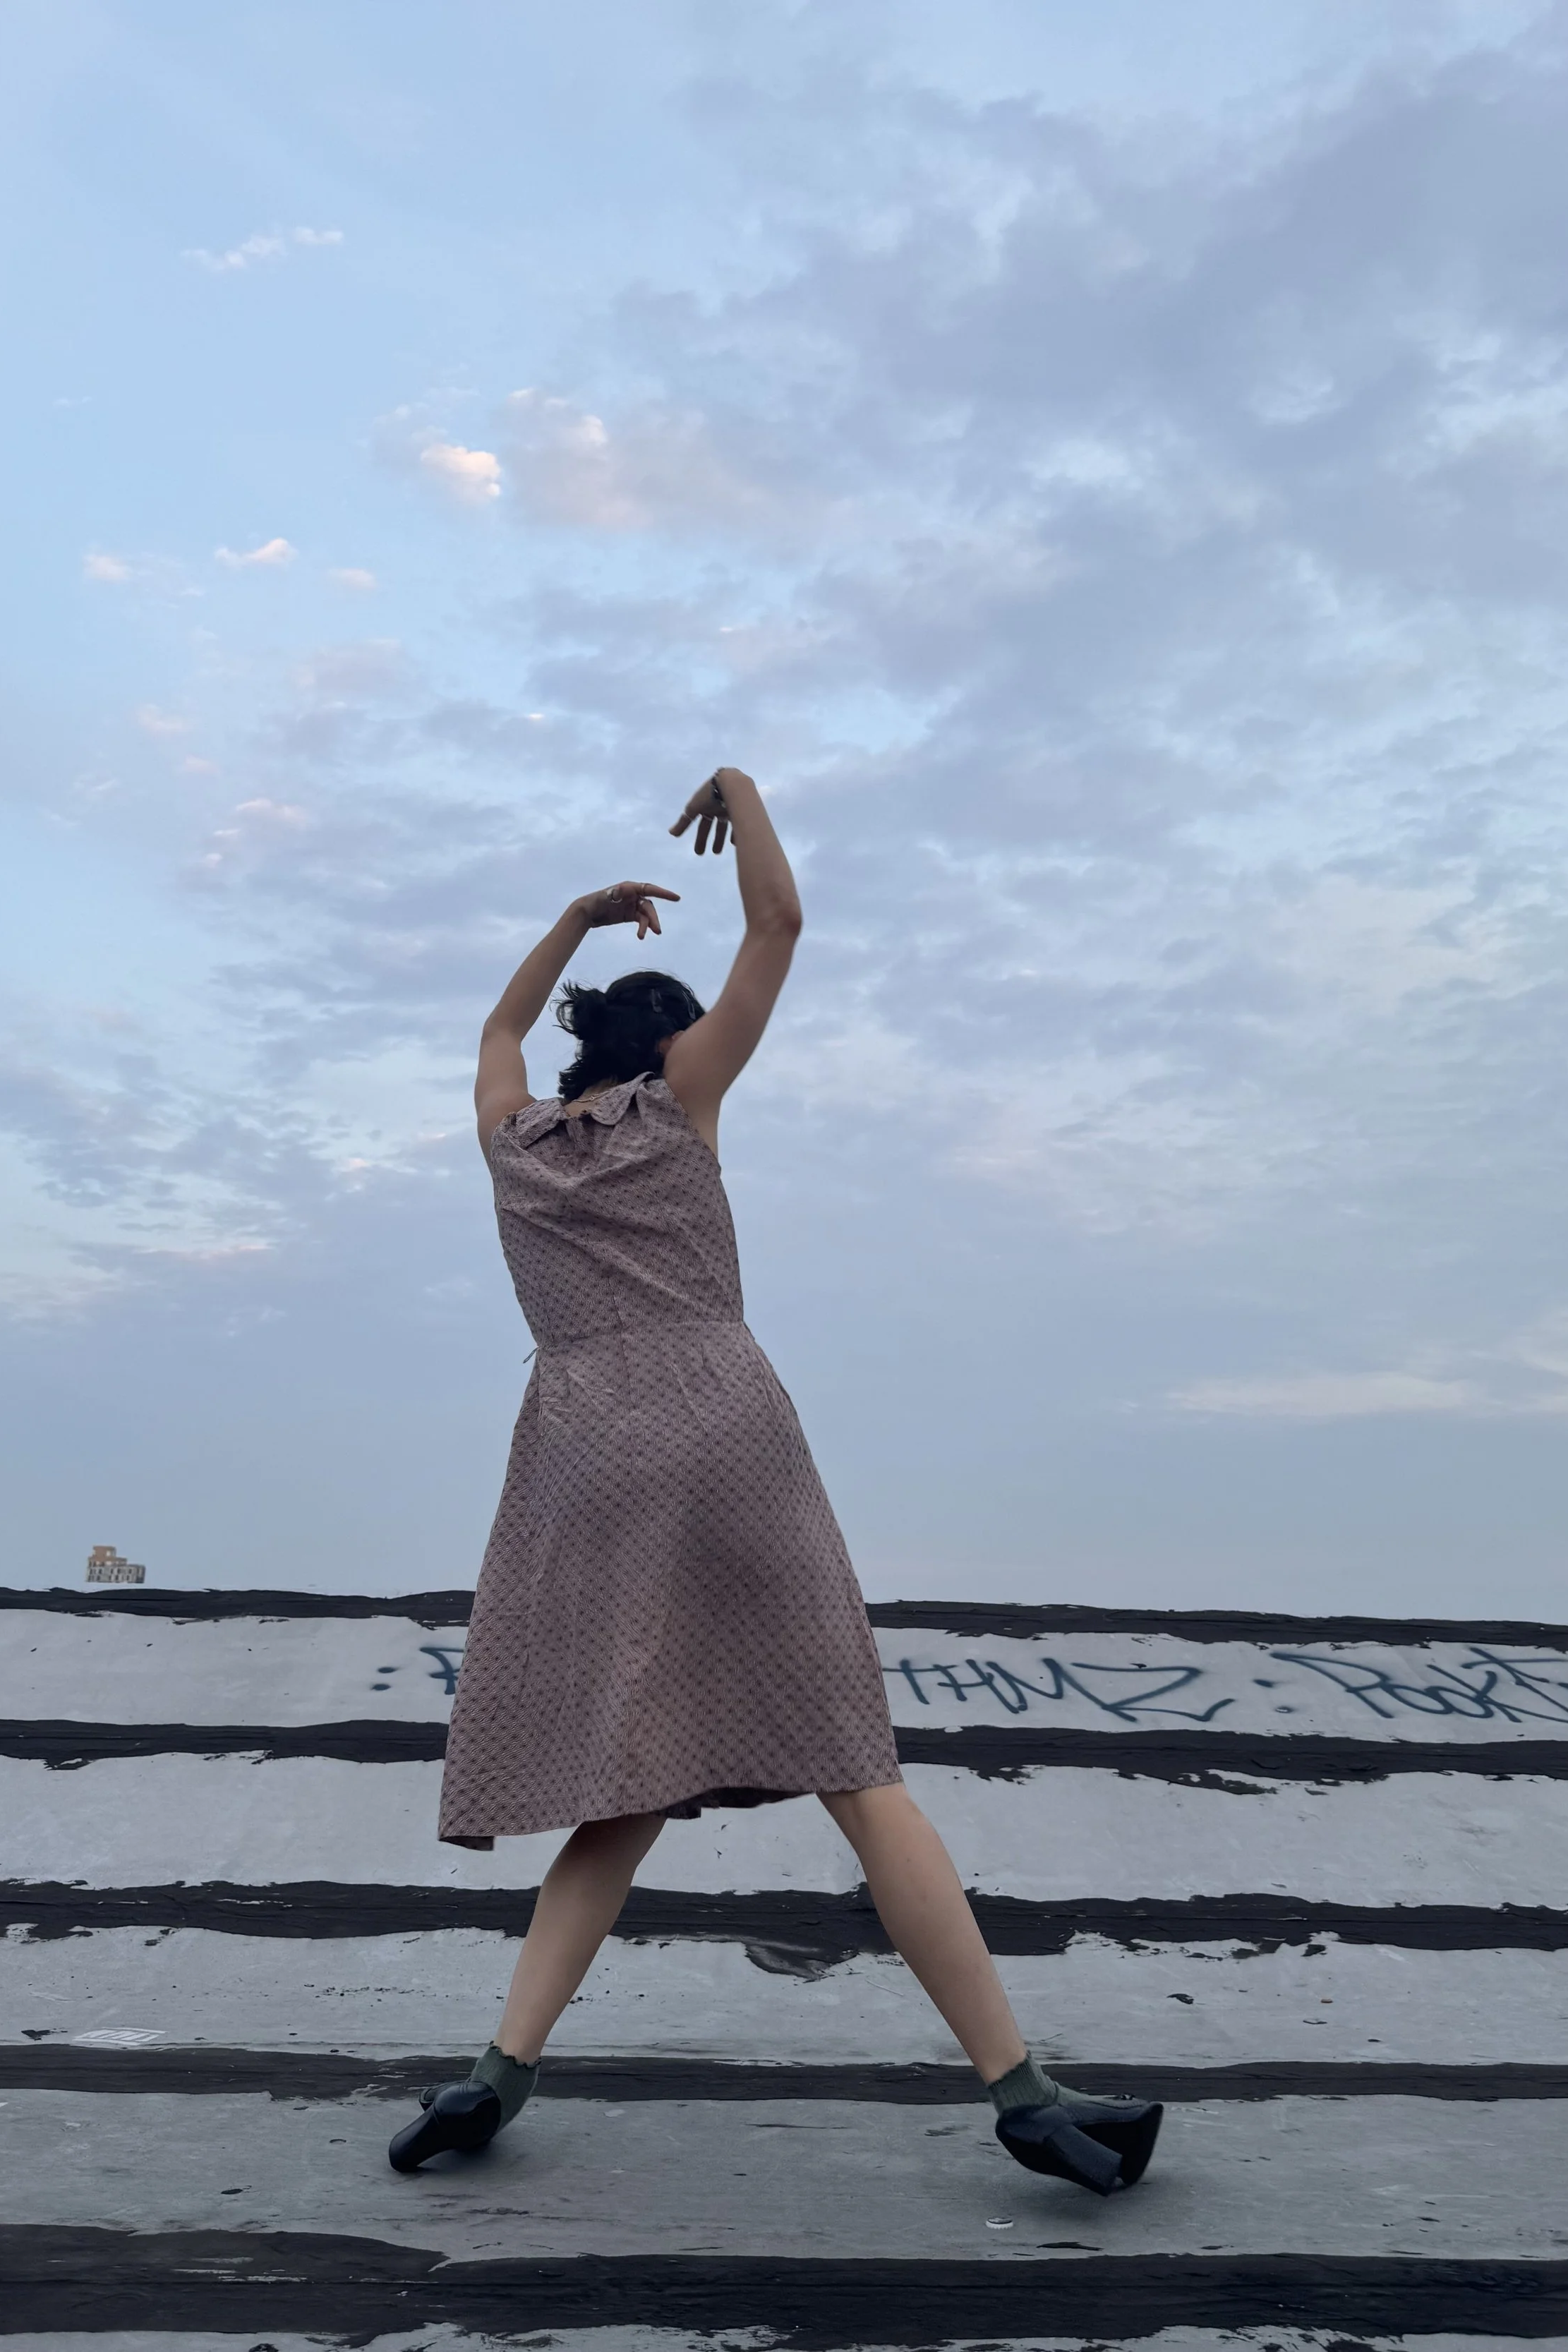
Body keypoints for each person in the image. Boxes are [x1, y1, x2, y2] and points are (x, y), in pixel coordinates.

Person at [387, 767, 1162, 2197]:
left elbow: (495, 1025)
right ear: (674, 1043)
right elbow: (780, 924)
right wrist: (738, 794)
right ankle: (1019, 2087)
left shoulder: (511, 1143)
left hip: (577, 1449)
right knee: (858, 1773)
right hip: (715, 1417)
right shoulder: (681, 1104)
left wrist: (569, 916)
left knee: (620, 1790)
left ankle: (494, 2071)